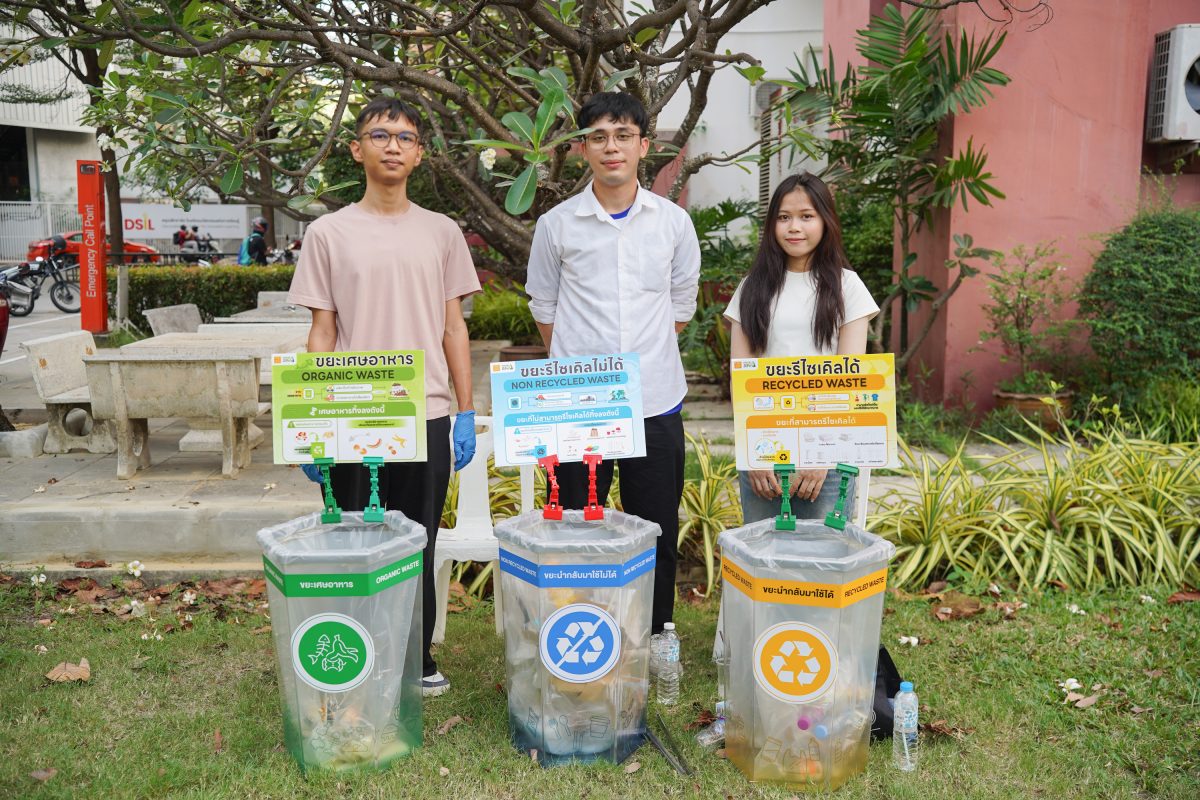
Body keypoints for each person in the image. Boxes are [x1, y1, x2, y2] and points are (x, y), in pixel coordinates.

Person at [288, 96, 480, 698]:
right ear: (356, 149)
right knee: (353, 537)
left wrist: (466, 410)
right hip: (353, 414)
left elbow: (453, 327)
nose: (392, 145)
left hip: (425, 413)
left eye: (405, 137)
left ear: (419, 154)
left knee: (417, 539)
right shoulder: (327, 233)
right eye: (379, 135)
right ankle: (353, 653)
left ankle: (416, 655)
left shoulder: (442, 232)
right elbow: (322, 331)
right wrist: (311, 425)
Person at [526, 91, 701, 635]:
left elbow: (681, 306)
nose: (611, 147)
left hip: (655, 401)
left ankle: (655, 634)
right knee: (576, 527)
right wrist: (585, 366)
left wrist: (639, 360)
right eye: (598, 137)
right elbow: (545, 307)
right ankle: (577, 633)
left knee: (656, 528)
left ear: (644, 146)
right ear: (582, 149)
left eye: (624, 136)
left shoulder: (673, 223)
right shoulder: (557, 225)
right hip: (578, 407)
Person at [724, 172, 879, 523]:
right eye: (784, 217)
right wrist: (755, 454)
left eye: (806, 216)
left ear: (825, 221)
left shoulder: (848, 287)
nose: (794, 227)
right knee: (763, 551)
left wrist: (822, 455)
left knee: (824, 554)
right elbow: (741, 379)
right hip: (764, 453)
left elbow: (849, 380)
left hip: (827, 458)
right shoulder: (752, 288)